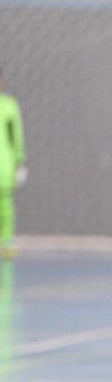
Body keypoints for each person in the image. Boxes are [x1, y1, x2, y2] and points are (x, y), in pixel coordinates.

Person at [0, 69, 26, 259]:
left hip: (3, 166)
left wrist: (20, 162)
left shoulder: (9, 105)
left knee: (6, 206)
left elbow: (16, 137)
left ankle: (7, 241)